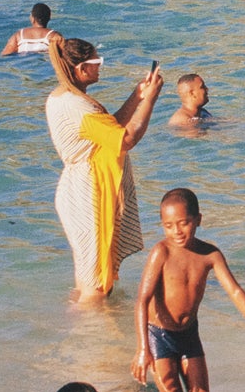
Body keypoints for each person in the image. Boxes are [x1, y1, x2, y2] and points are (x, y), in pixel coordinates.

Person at [131, 188, 245, 392]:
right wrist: (143, 349)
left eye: (183, 223)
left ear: (198, 219)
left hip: (188, 334)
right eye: (168, 225)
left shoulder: (210, 255)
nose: (176, 231)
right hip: (158, 335)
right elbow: (142, 300)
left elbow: (234, 290)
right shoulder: (161, 253)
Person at [46, 38, 162, 303]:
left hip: (78, 190)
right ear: (81, 69)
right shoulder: (78, 107)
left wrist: (137, 95)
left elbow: (111, 127)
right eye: (97, 63)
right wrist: (151, 100)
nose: (100, 68)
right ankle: (94, 336)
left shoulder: (64, 97)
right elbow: (126, 138)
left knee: (89, 275)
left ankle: (83, 329)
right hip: (89, 194)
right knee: (97, 285)